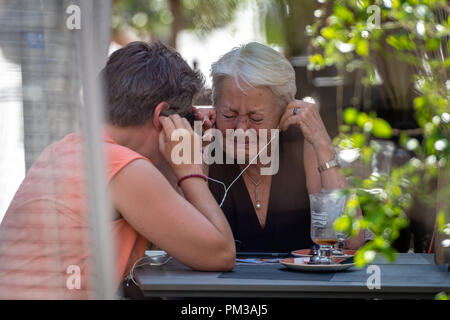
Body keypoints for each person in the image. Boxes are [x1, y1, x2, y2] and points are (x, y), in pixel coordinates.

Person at [0, 41, 235, 299]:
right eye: (184, 120)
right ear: (162, 116)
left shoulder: (70, 149)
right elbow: (220, 253)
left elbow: (178, 234)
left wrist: (185, 154)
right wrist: (190, 167)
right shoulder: (124, 169)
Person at [194, 42, 365, 253]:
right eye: (229, 115)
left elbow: (351, 240)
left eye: (255, 118)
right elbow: (185, 242)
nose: (240, 129)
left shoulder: (302, 145)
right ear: (215, 108)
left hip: (301, 286)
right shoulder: (204, 142)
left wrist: (322, 143)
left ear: (284, 114)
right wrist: (196, 147)